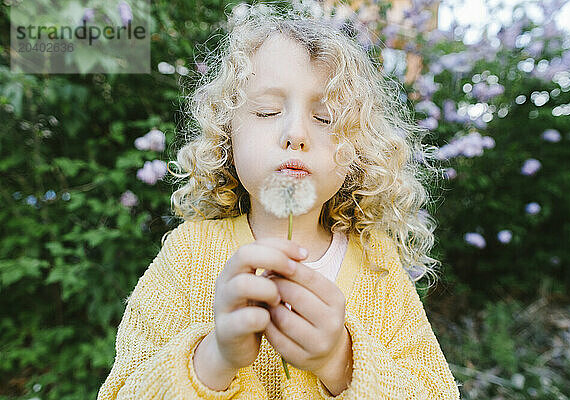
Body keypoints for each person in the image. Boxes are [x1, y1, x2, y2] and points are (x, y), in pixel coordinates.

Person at [98, 2, 461, 399]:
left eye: (325, 118)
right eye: (268, 110)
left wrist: (340, 361)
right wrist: (215, 357)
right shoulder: (188, 254)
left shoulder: (378, 265)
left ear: (358, 148)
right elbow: (122, 390)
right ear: (226, 135)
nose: (295, 133)